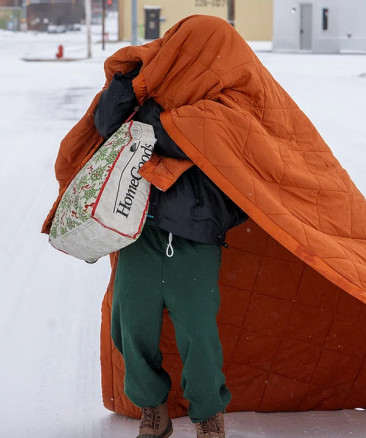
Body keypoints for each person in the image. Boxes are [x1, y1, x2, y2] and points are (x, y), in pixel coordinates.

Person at [92, 65, 247, 438]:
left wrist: (147, 121)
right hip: (140, 229)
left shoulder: (222, 100)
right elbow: (107, 124)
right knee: (130, 325)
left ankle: (209, 414)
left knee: (198, 330)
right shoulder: (143, 91)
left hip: (194, 234)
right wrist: (125, 81)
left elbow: (183, 140)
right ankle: (153, 411)